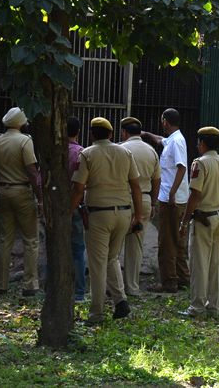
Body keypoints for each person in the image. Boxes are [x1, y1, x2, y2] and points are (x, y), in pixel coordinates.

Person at [71, 117, 143, 324]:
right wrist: (138, 216)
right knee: (111, 258)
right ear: (111, 134)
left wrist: (68, 211)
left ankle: (96, 314)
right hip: (123, 213)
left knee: (97, 264)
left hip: (98, 215)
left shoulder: (87, 154)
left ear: (92, 134)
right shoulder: (125, 152)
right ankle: (121, 301)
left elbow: (78, 188)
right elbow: (136, 186)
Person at [180, 126, 219, 318]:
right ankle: (215, 307)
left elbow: (195, 194)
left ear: (202, 143)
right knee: (216, 264)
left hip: (204, 219)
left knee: (199, 264)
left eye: (198, 142)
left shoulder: (200, 164)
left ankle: (197, 307)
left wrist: (185, 221)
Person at [0, 107, 43, 297]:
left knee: (5, 239)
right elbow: (32, 171)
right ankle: (30, 284)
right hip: (22, 191)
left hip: (3, 190)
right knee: (30, 240)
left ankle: (1, 285)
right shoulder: (25, 141)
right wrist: (40, 197)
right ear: (21, 122)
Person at [141, 108, 190, 293]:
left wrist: (171, 193)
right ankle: (183, 278)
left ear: (165, 122)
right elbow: (161, 140)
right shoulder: (175, 139)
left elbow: (181, 168)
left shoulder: (177, 142)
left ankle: (169, 281)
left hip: (172, 200)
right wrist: (146, 134)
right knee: (177, 240)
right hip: (177, 198)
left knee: (167, 241)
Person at [119, 116, 161, 296]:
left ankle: (113, 286)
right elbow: (157, 180)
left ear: (124, 132)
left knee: (114, 245)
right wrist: (153, 202)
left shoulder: (120, 149)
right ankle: (132, 287)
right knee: (135, 246)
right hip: (144, 199)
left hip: (123, 199)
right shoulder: (151, 151)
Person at [67, 116, 87, 302]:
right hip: (76, 204)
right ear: (78, 131)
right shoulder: (81, 153)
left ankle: (52, 287)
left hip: (57, 204)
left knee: (55, 246)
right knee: (79, 249)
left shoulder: (54, 152)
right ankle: (80, 291)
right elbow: (82, 184)